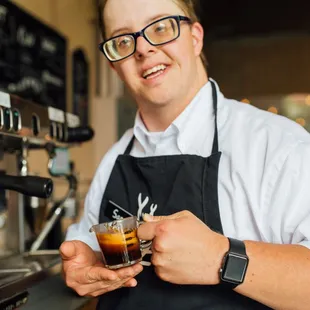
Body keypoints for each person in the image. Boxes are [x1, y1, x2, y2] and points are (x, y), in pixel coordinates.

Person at [60, 0, 310, 309]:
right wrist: (84, 264)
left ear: (194, 37)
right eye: (124, 40)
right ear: (114, 65)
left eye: (160, 27)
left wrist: (221, 257)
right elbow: (84, 247)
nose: (144, 49)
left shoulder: (277, 146)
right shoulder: (112, 160)